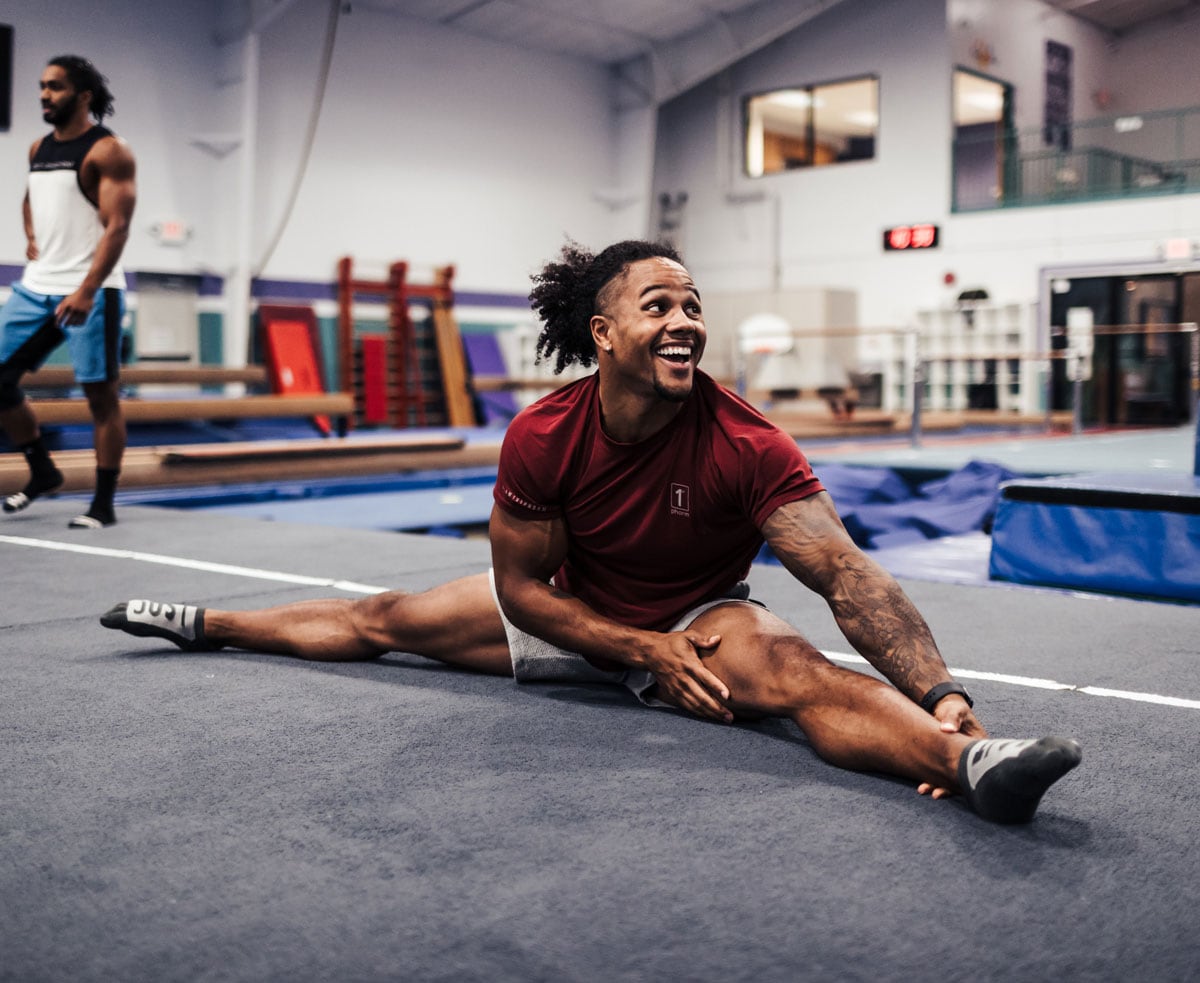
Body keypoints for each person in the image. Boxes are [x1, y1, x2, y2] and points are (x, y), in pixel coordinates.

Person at [102, 239, 1081, 824]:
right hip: (575, 614)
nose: (687, 320)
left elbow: (845, 573)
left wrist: (942, 690)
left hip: (701, 622)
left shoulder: (746, 439)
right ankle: (209, 620)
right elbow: (523, 591)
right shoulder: (543, 434)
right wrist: (631, 644)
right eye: (660, 304)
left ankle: (968, 763)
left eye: (695, 305)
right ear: (605, 333)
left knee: (805, 675)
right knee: (383, 617)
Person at [0, 55, 137, 528]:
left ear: (82, 96)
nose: (43, 94)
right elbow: (30, 197)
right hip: (36, 286)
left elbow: (118, 227)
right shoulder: (38, 147)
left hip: (92, 290)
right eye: (41, 86)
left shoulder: (108, 151)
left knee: (101, 398)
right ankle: (42, 471)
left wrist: (86, 290)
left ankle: (103, 504)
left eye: (54, 87)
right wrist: (32, 236)